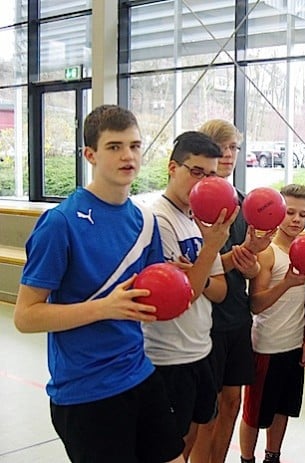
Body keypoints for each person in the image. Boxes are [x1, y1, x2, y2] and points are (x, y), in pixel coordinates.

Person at [13, 105, 185, 463]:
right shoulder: (60, 223)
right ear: (90, 154)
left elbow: (150, 297)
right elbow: (26, 317)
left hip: (139, 372)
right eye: (115, 146)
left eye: (135, 146)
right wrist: (103, 308)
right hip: (85, 391)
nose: (128, 155)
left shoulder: (146, 222)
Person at [143, 131, 239, 459]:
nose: (203, 183)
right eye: (196, 172)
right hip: (167, 355)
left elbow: (220, 290)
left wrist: (198, 273)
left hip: (199, 348)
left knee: (196, 433)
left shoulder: (197, 218)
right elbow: (185, 295)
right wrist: (211, 248)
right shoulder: (157, 218)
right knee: (170, 445)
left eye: (211, 175)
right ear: (173, 167)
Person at [191, 119, 274, 463]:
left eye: (234, 148)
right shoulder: (194, 206)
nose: (228, 155)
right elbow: (195, 272)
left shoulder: (244, 204)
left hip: (237, 319)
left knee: (232, 402)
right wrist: (229, 258)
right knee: (204, 412)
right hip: (205, 322)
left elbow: (248, 270)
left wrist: (252, 253)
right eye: (221, 147)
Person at [239, 184, 305, 463]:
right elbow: (256, 304)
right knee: (254, 414)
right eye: (290, 212)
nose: (296, 219)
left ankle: (273, 456)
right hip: (266, 347)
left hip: (293, 347)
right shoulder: (268, 252)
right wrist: (286, 283)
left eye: (303, 214)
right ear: (278, 213)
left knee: (283, 409)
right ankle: (247, 458)